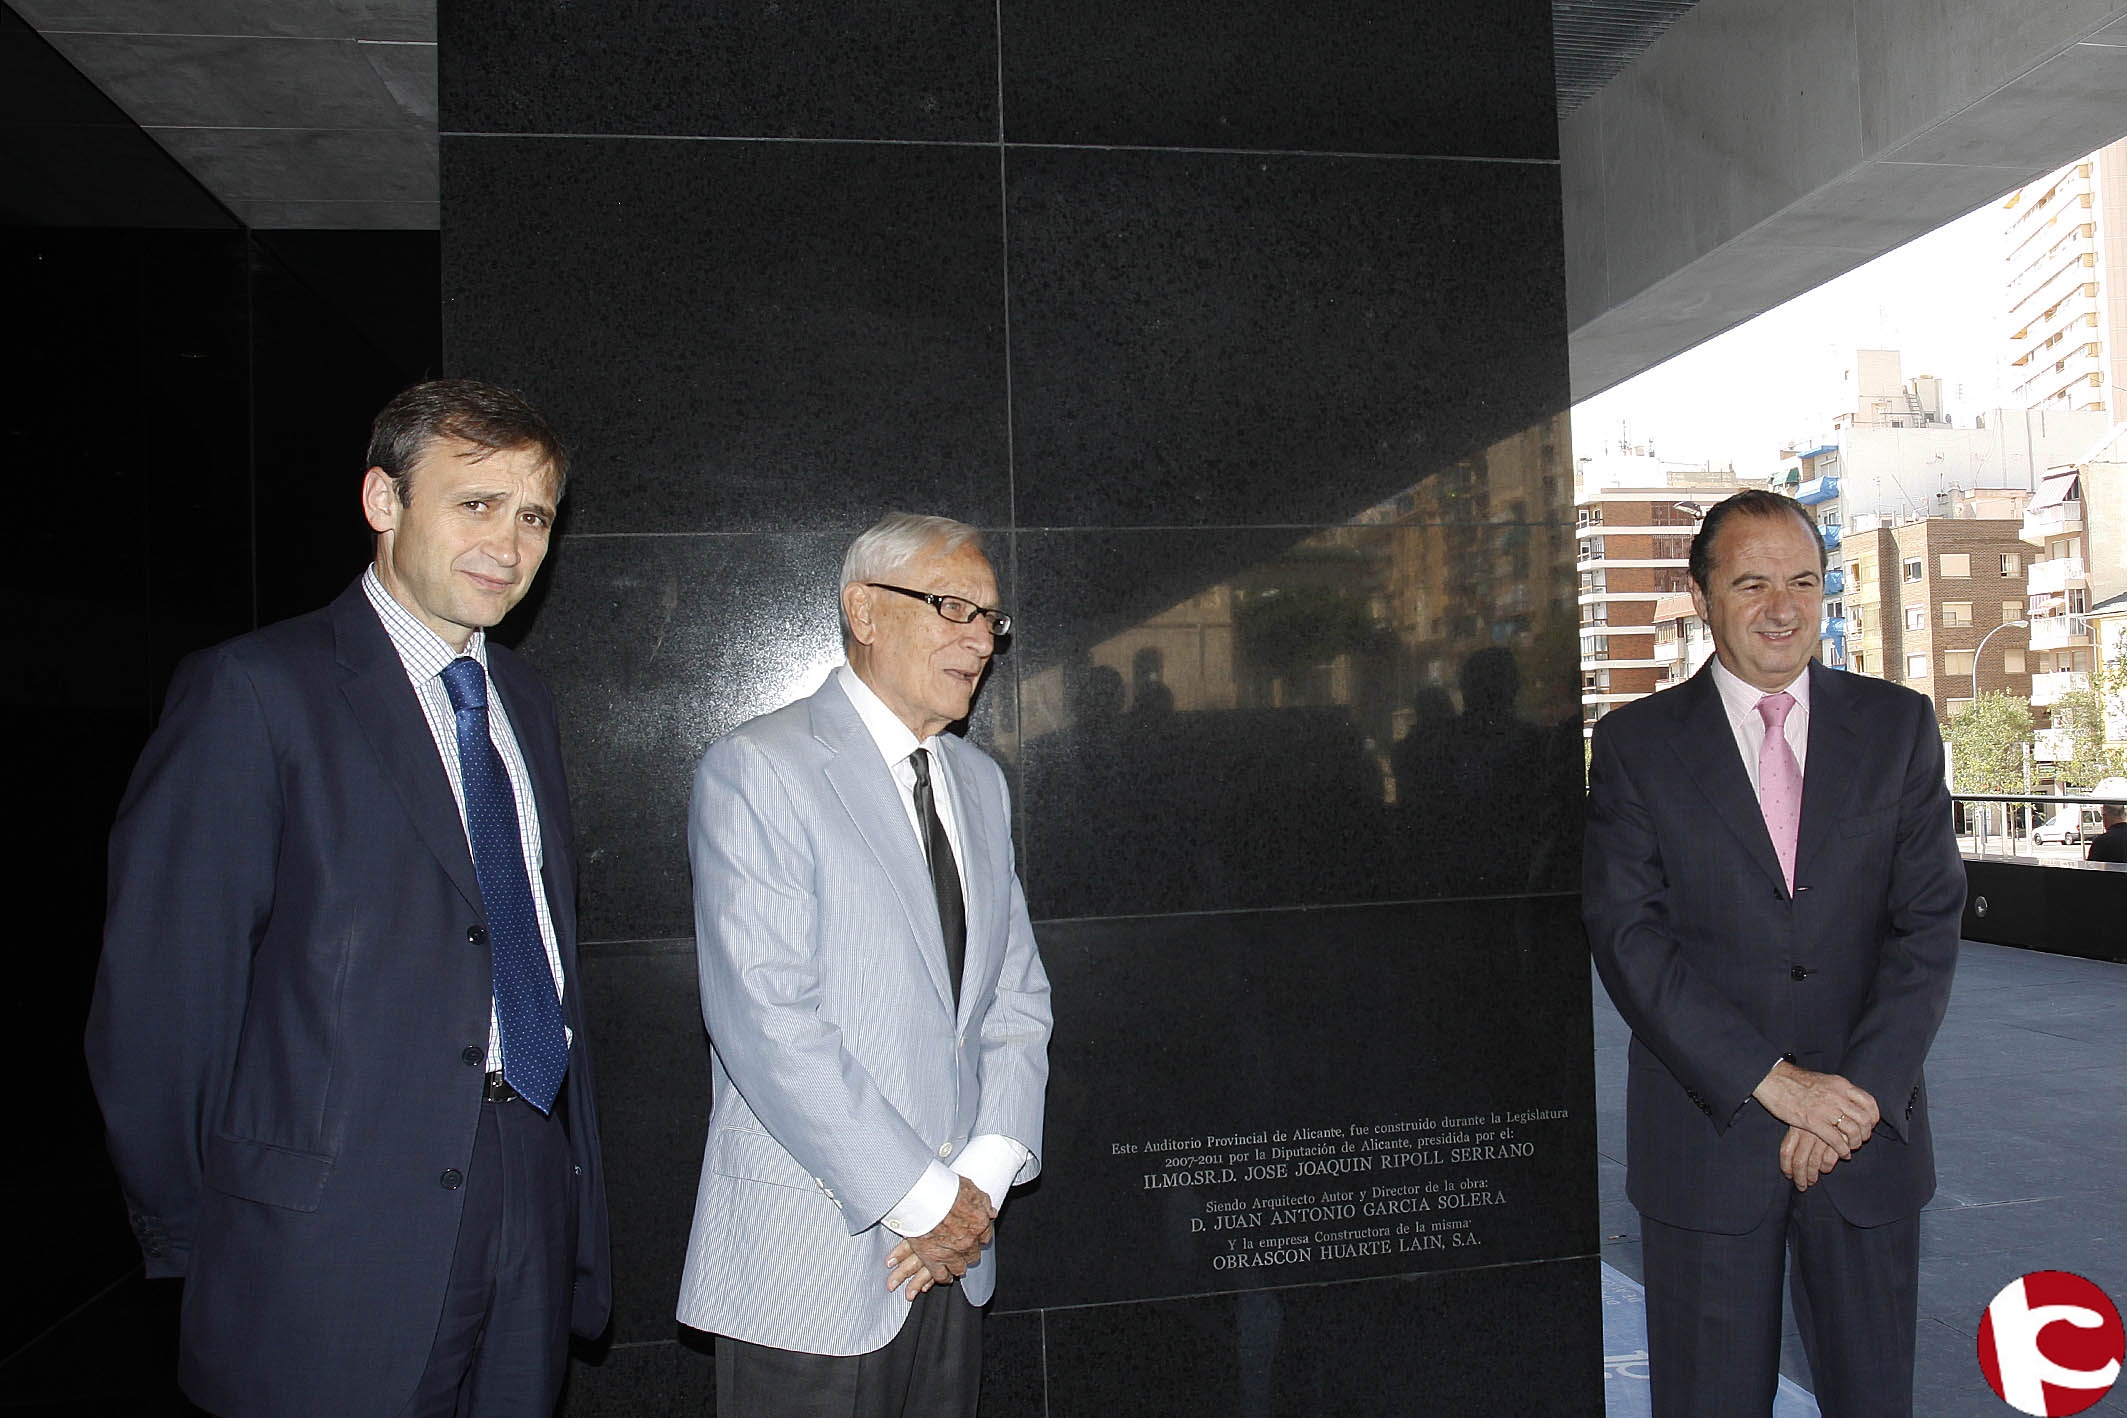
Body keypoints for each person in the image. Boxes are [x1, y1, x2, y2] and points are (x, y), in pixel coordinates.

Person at [86, 380, 610, 1418]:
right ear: (383, 500)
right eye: (476, 503)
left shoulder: (525, 699)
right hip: (328, 1231)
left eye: (533, 515)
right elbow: (162, 1001)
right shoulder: (254, 689)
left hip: (529, 1182)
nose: (508, 544)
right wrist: (202, 1237)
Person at [1582, 489, 1963, 1418]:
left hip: (1865, 1140)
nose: (1782, 607)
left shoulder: (1899, 725)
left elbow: (1926, 927)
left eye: (1802, 581)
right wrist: (1776, 1084)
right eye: (1751, 583)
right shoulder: (1635, 744)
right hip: (1705, 1144)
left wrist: (1851, 1098)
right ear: (1701, 596)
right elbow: (1631, 940)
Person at [681, 512, 1052, 1417]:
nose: (980, 641)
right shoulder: (759, 767)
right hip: (810, 1252)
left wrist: (982, 1183)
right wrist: (924, 1201)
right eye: (952, 607)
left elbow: (1015, 1000)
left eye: (989, 619)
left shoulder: (979, 782)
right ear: (865, 611)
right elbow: (766, 1022)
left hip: (956, 1251)